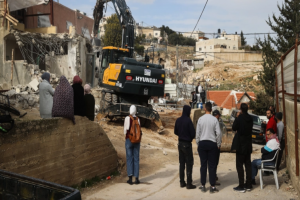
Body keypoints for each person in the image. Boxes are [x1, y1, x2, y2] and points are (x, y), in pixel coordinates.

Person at [196, 102, 221, 193]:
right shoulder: (214, 120)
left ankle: (203, 185)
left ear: (205, 108)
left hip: (202, 143)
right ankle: (212, 186)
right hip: (212, 143)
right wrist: (218, 144)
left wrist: (198, 143)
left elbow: (197, 133)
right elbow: (218, 133)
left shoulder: (200, 119)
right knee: (212, 165)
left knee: (203, 165)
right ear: (211, 109)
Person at [232, 103, 253, 192]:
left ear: (241, 109)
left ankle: (241, 185)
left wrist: (237, 118)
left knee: (239, 165)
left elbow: (234, 128)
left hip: (241, 144)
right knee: (248, 164)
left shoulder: (239, 118)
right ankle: (248, 184)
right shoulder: (251, 118)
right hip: (248, 144)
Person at [174, 105, 196, 189]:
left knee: (182, 163)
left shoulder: (178, 120)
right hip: (187, 144)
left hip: (180, 144)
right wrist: (189, 137)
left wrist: (181, 135)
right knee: (189, 163)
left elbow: (175, 131)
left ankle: (182, 182)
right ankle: (189, 183)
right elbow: (193, 134)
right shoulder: (188, 121)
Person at [124, 105, 141, 185]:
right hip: (137, 141)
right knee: (136, 159)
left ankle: (130, 179)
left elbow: (125, 130)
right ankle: (136, 178)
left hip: (129, 140)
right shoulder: (138, 119)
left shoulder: (127, 118)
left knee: (129, 158)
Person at [212, 109, 222, 185]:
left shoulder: (210, 121)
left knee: (211, 162)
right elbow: (218, 134)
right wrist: (218, 144)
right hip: (215, 144)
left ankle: (213, 176)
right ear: (217, 115)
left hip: (209, 143)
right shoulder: (216, 122)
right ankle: (213, 178)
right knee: (215, 162)